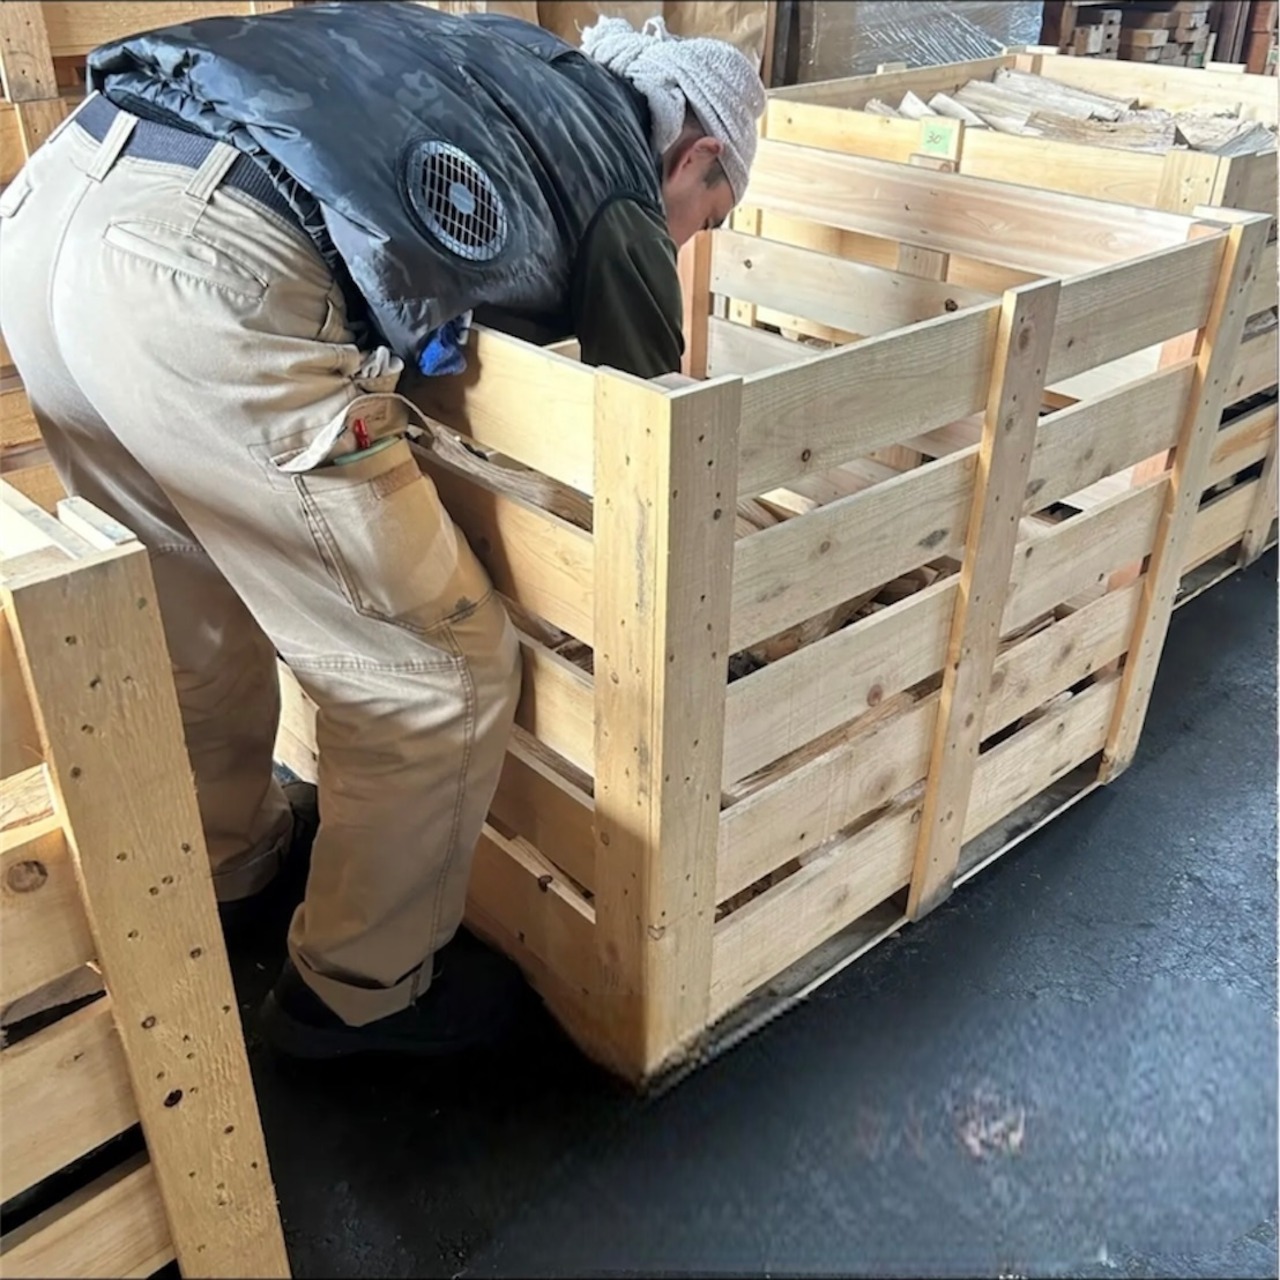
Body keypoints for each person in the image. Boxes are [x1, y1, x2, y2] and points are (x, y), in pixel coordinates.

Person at [0, 3, 766, 1059]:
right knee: (438, 673)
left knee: (194, 603)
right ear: (697, 155)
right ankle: (358, 996)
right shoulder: (625, 191)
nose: (687, 239)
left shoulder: (527, 66)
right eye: (707, 217)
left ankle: (228, 870)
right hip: (206, 266)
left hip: (54, 204)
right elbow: (649, 439)